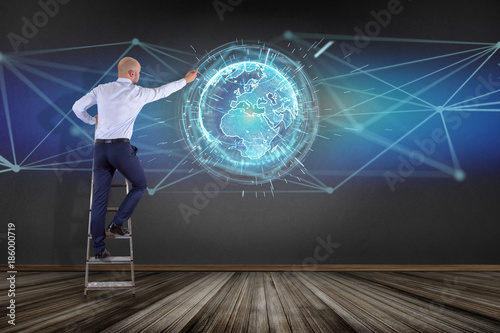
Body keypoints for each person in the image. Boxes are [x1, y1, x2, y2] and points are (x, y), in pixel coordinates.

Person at [73, 57, 197, 259]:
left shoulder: (101, 89)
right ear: (132, 74)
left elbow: (77, 107)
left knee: (99, 201)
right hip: (120, 149)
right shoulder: (138, 93)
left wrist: (91, 120)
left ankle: (98, 250)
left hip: (100, 150)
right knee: (140, 185)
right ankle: (117, 223)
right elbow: (163, 91)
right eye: (138, 72)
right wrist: (185, 80)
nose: (139, 75)